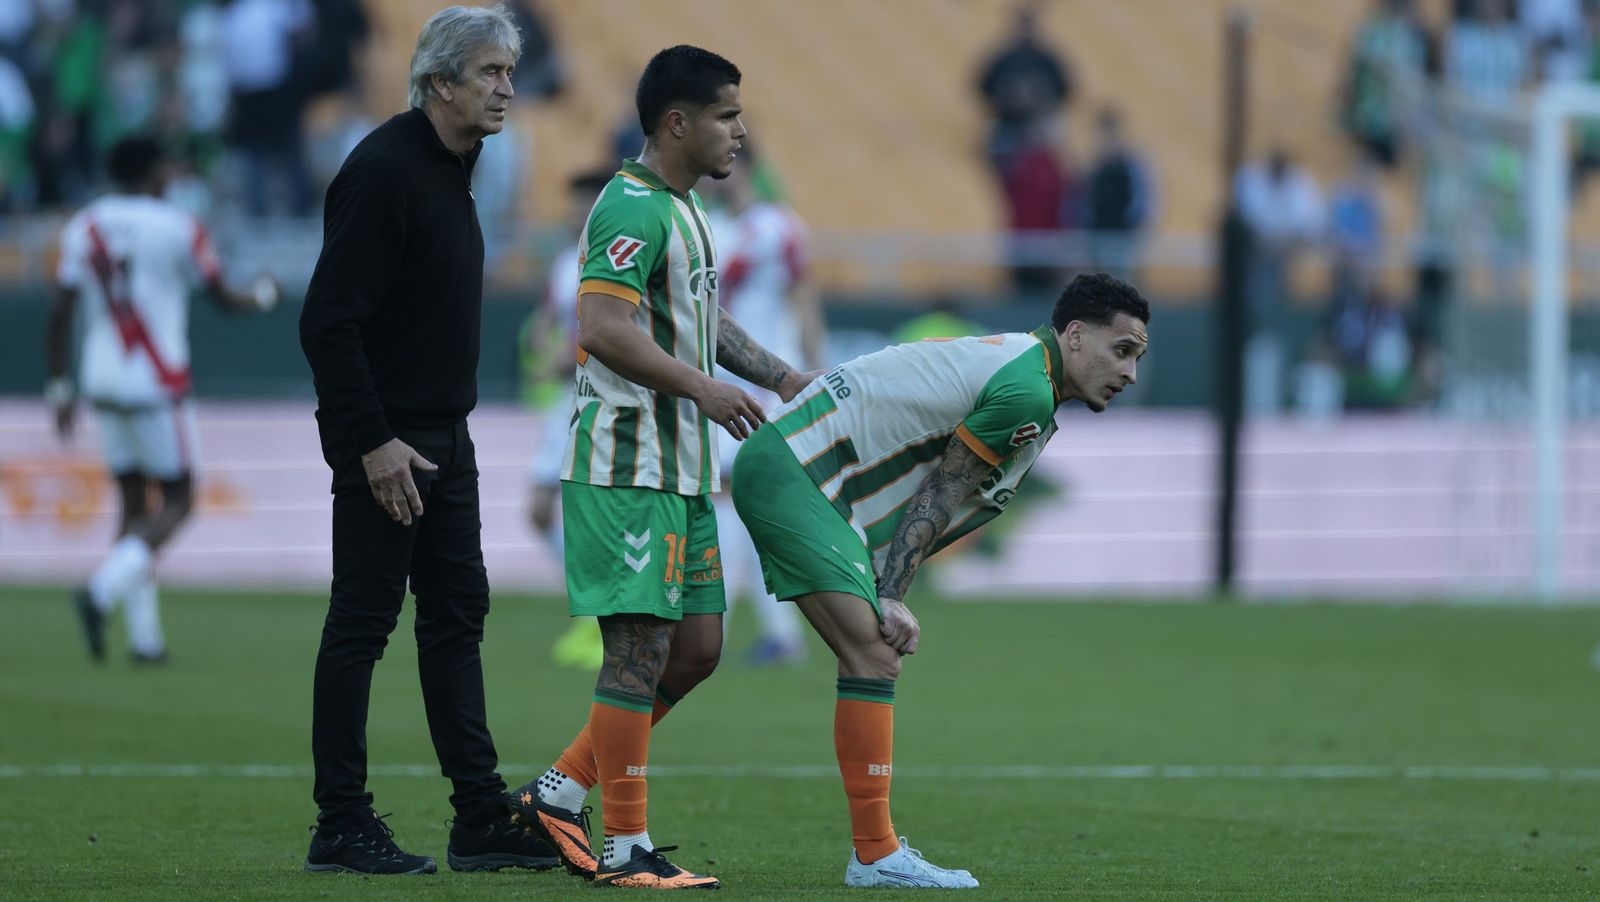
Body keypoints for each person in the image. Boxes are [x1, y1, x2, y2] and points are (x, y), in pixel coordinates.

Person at [504, 45, 816, 890]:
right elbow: (602, 329)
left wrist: (783, 376)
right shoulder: (629, 207)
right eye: (727, 116)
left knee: (700, 648)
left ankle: (558, 792)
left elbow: (701, 320)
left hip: (682, 471)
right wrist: (703, 389)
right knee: (637, 653)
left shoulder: (685, 210)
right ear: (677, 123)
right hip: (628, 466)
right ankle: (626, 847)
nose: (740, 133)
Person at [731, 273, 1150, 889]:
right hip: (798, 473)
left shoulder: (1023, 366)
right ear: (1077, 335)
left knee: (690, 655)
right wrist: (891, 594)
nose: (1130, 373)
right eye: (1123, 351)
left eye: (1137, 357)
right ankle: (875, 856)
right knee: (874, 655)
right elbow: (943, 489)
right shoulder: (1026, 389)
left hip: (800, 470)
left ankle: (577, 790)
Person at [297, 4, 553, 877]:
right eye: (489, 73)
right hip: (392, 439)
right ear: (439, 81)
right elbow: (327, 322)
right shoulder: (385, 171)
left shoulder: (453, 164)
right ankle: (340, 824)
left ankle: (479, 817)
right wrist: (373, 444)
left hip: (446, 433)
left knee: (455, 619)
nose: (507, 89)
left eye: (509, 72)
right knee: (363, 623)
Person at [48, 135, 279, 665]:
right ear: (153, 172)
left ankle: (145, 641)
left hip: (101, 377)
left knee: (133, 505)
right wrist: (265, 295)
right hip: (156, 380)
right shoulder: (178, 226)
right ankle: (100, 591)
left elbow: (58, 311)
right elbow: (222, 297)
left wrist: (58, 386)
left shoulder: (84, 225)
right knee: (179, 499)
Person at [703, 141, 822, 666]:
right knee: (740, 502)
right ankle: (776, 632)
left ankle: (722, 625)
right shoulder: (705, 225)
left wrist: (814, 364)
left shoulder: (779, 226)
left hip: (768, 382)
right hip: (719, 381)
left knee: (734, 496)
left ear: (746, 167)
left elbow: (803, 296)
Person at [525, 169, 611, 671]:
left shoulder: (611, 258)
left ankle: (604, 615)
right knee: (540, 510)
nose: (577, 213)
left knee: (590, 510)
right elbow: (549, 316)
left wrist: (560, 359)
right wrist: (540, 336)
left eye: (586, 204)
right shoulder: (565, 262)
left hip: (598, 397)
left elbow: (603, 327)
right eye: (574, 204)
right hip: (565, 401)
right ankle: (593, 605)